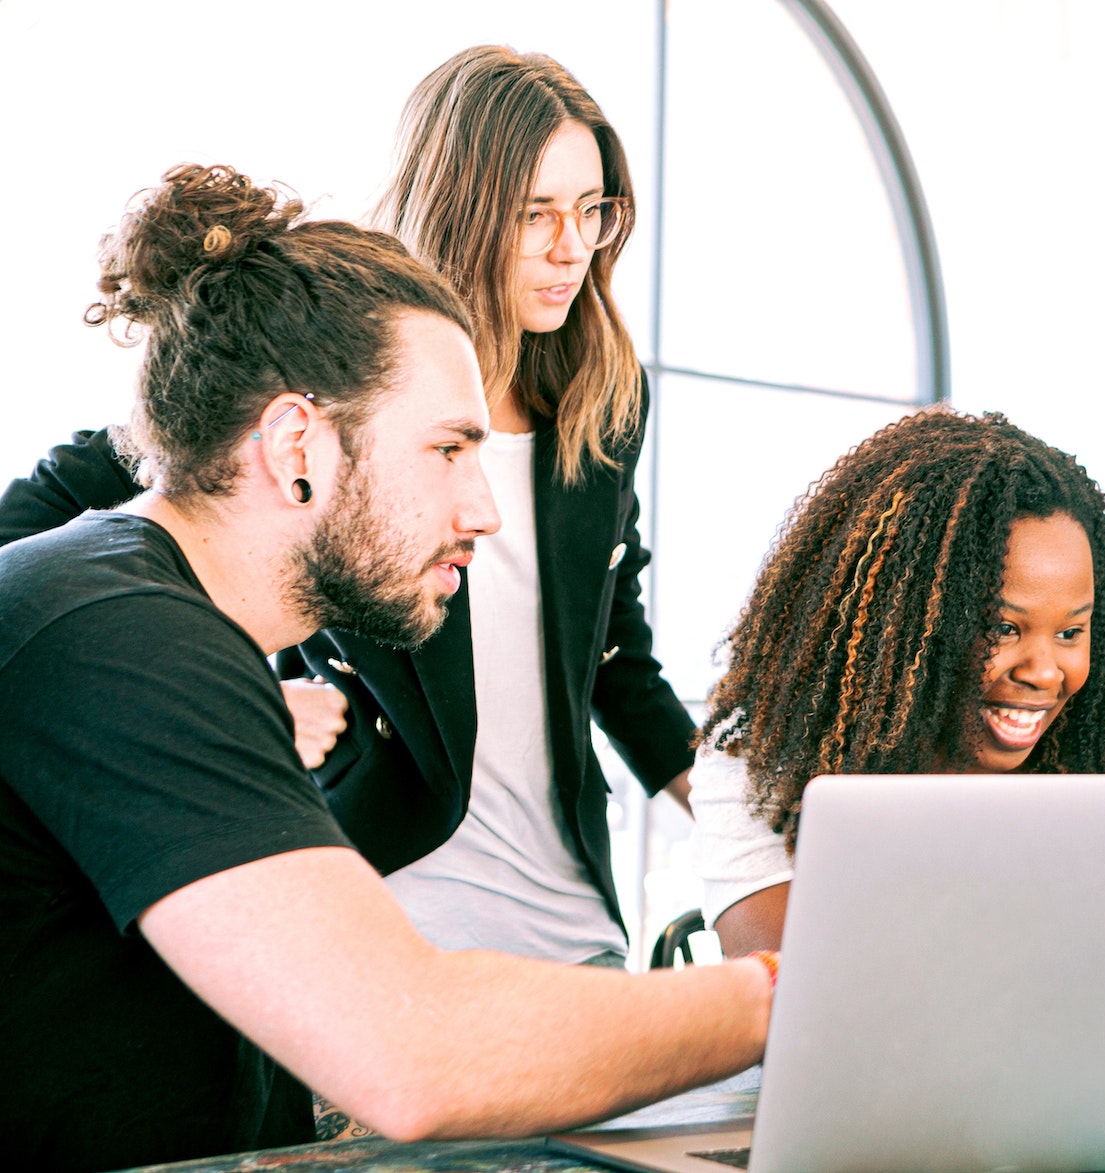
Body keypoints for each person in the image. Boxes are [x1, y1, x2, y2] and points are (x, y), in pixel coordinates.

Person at [0, 163, 771, 1173]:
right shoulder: (112, 628)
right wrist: (788, 993)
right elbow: (413, 1053)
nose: (484, 512)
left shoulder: (169, 622)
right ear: (295, 445)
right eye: (449, 450)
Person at [0, 46, 696, 967]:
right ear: (464, 207)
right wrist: (233, 698)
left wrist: (754, 817)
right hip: (375, 917)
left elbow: (614, 655)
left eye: (593, 210)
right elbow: (48, 549)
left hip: (570, 926)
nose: (574, 247)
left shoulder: (603, 400)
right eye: (537, 214)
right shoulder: (324, 367)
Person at [691, 408, 1105, 1082]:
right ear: (909, 621)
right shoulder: (764, 753)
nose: (1043, 671)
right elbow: (810, 1009)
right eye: (1003, 626)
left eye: (1071, 632)